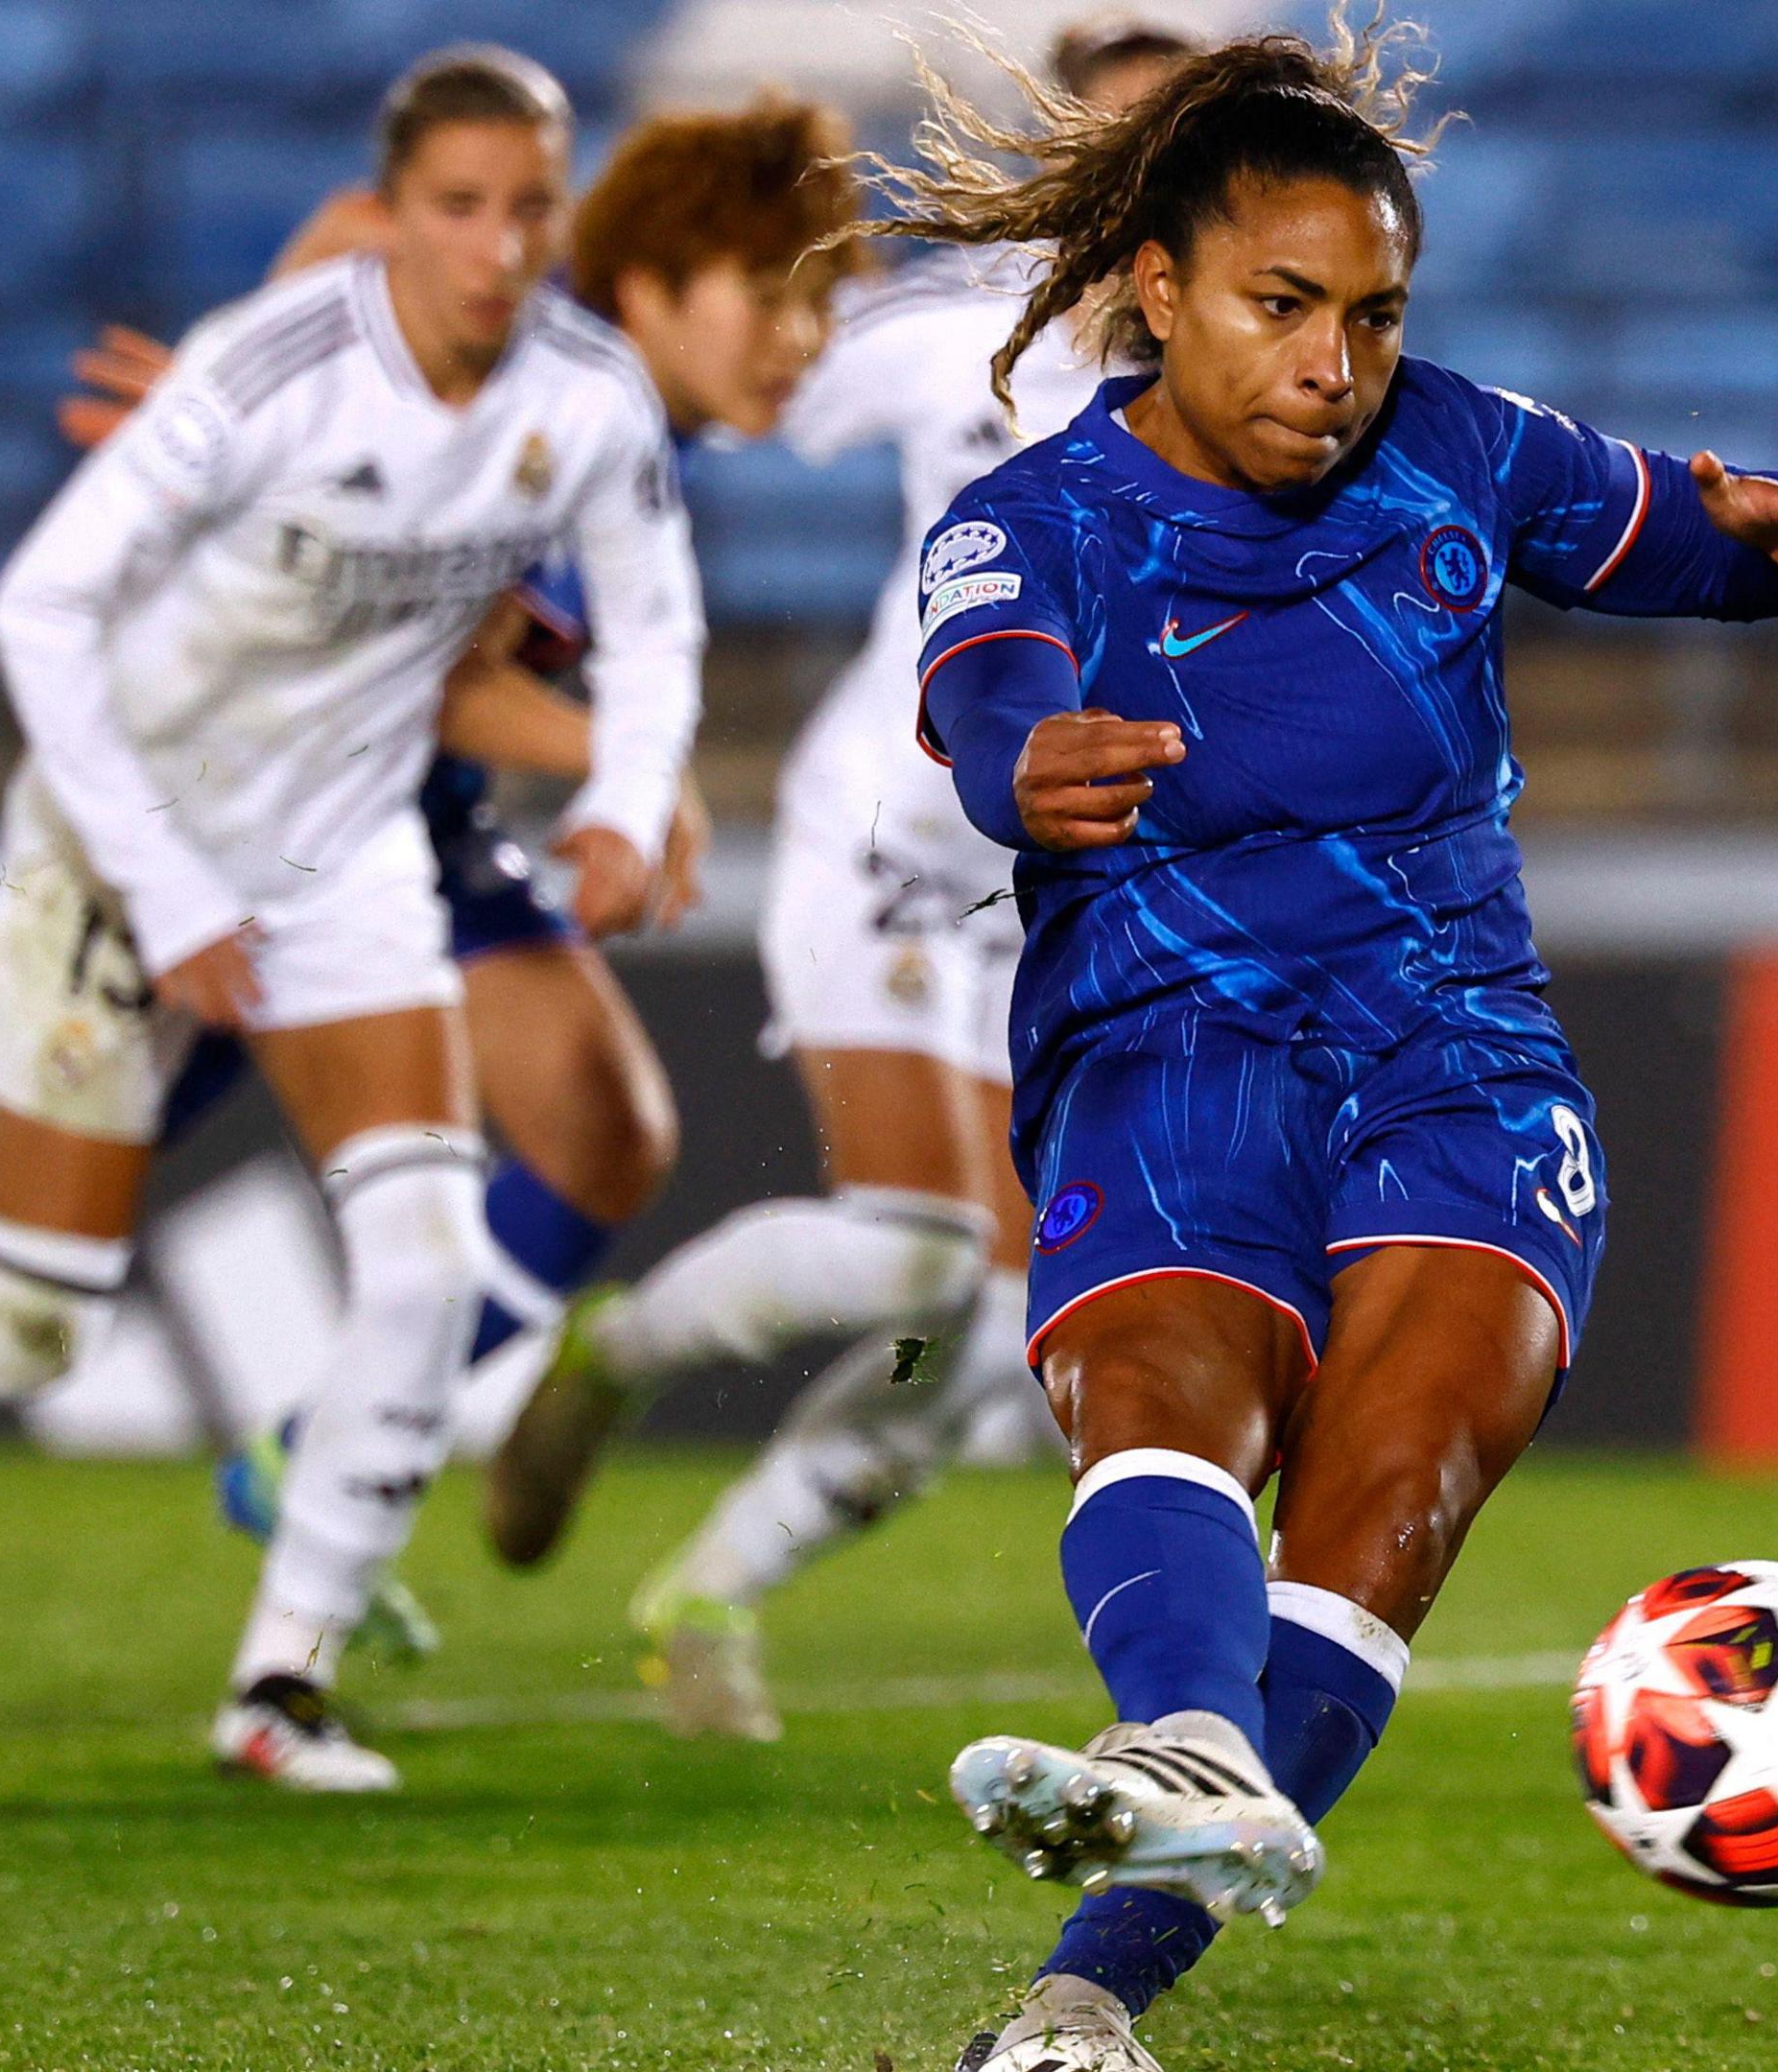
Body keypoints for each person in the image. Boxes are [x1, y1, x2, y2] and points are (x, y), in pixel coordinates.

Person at [873, 21, 1778, 2069]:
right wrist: (1024, 763)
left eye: (1370, 312)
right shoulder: (1032, 519)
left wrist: (1771, 535)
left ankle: (1083, 2007)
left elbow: (1660, 528)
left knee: (1392, 1497)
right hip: (1168, 1035)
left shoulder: (1458, 444)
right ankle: (1179, 1739)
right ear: (1154, 291)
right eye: (1283, 308)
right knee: (1173, 1389)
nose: (1333, 359)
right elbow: (986, 694)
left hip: (1457, 1055)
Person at [0, 98, 864, 1722]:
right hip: (228, 825)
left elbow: (461, 658)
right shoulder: (475, 331)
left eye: (821, 304)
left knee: (600, 1127)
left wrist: (631, 768)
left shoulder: (609, 438)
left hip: (390, 836)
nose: (804, 342)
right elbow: (348, 349)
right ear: (650, 278)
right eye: (775, 295)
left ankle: (308, 1483)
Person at [480, 12, 1205, 1746]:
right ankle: (614, 1354)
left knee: (978, 1327)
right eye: (1107, 154)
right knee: (916, 1257)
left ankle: (709, 1591)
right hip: (891, 846)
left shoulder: (1258, 404)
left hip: (1066, 900)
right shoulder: (959, 338)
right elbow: (707, 369)